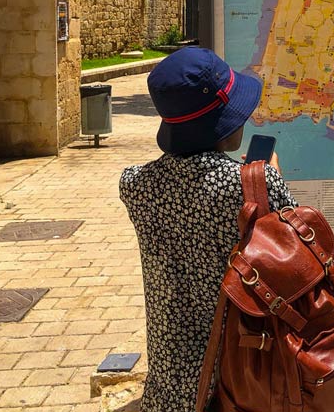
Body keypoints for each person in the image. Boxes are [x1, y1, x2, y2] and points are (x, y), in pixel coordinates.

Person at [119, 47, 295, 412]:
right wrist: (266, 180)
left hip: (170, 383)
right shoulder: (251, 186)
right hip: (242, 376)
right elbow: (292, 256)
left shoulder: (135, 185)